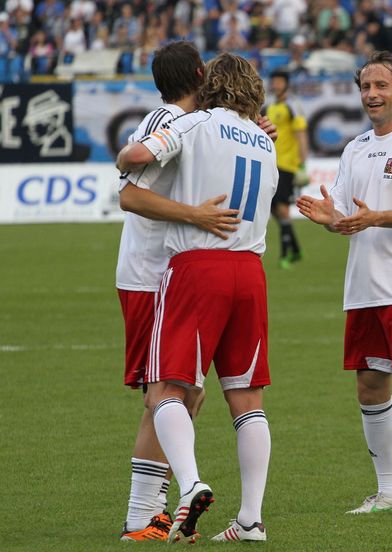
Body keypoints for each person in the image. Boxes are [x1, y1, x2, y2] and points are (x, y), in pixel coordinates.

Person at [116, 40, 277, 542]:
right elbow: (130, 192)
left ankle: (177, 496)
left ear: (214, 81)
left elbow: (131, 161)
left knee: (169, 390)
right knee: (229, 397)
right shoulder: (259, 138)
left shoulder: (191, 124)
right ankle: (227, 517)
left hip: (190, 268)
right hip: (230, 270)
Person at [296, 50, 392, 519]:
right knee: (369, 386)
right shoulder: (355, 147)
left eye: (381, 86)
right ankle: (389, 492)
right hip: (362, 284)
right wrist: (329, 220)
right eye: (365, 87)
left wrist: (375, 217)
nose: (371, 95)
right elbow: (345, 215)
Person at [265, 69, 308, 269]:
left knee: (282, 208)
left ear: (286, 83)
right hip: (271, 163)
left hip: (287, 164)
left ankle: (285, 255)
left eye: (279, 81)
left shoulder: (293, 105)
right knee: (274, 209)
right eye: (274, 81)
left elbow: (301, 134)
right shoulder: (271, 106)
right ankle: (296, 249)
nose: (276, 84)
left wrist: (302, 164)